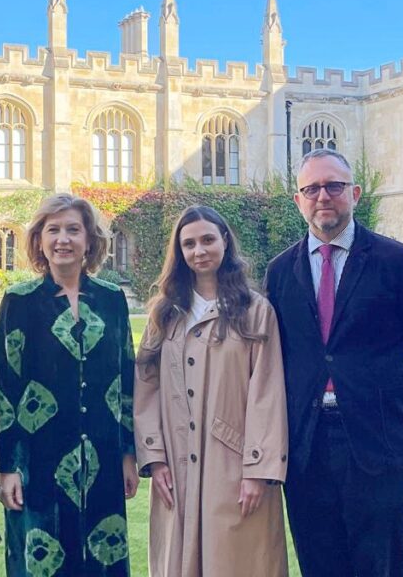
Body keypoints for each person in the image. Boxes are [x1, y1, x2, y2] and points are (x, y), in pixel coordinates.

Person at [264, 149, 403, 577]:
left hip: (379, 444)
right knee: (319, 565)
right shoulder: (280, 272)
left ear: (355, 193)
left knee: (380, 566)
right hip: (307, 448)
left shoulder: (397, 262)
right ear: (298, 200)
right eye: (311, 188)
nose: (322, 196)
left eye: (334, 186)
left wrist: (393, 406)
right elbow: (274, 359)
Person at [135, 205, 289, 577]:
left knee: (237, 562)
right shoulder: (165, 314)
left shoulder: (255, 311)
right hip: (176, 464)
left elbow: (267, 391)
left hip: (235, 464)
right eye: (189, 244)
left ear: (225, 242)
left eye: (207, 240)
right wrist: (155, 457)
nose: (199, 251)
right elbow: (146, 386)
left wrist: (257, 470)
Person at [0, 193, 140, 577]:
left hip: (103, 458)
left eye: (73, 230)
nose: (63, 239)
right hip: (37, 460)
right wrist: (7, 466)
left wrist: (128, 452)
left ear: (89, 240)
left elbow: (126, 377)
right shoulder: (19, 302)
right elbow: (4, 388)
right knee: (42, 563)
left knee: (102, 561)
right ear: (39, 240)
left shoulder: (111, 300)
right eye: (53, 230)